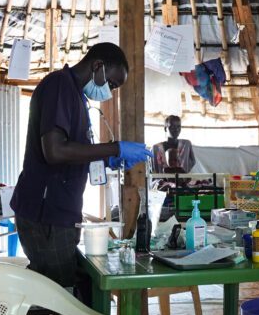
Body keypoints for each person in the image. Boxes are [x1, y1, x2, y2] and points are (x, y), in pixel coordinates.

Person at [9, 43, 152, 288]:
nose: (111, 91)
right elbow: (54, 151)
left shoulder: (76, 96)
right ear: (98, 66)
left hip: (60, 213)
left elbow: (73, 152)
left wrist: (107, 159)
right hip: (46, 216)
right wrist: (115, 148)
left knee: (73, 286)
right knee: (59, 298)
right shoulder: (59, 86)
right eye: (113, 84)